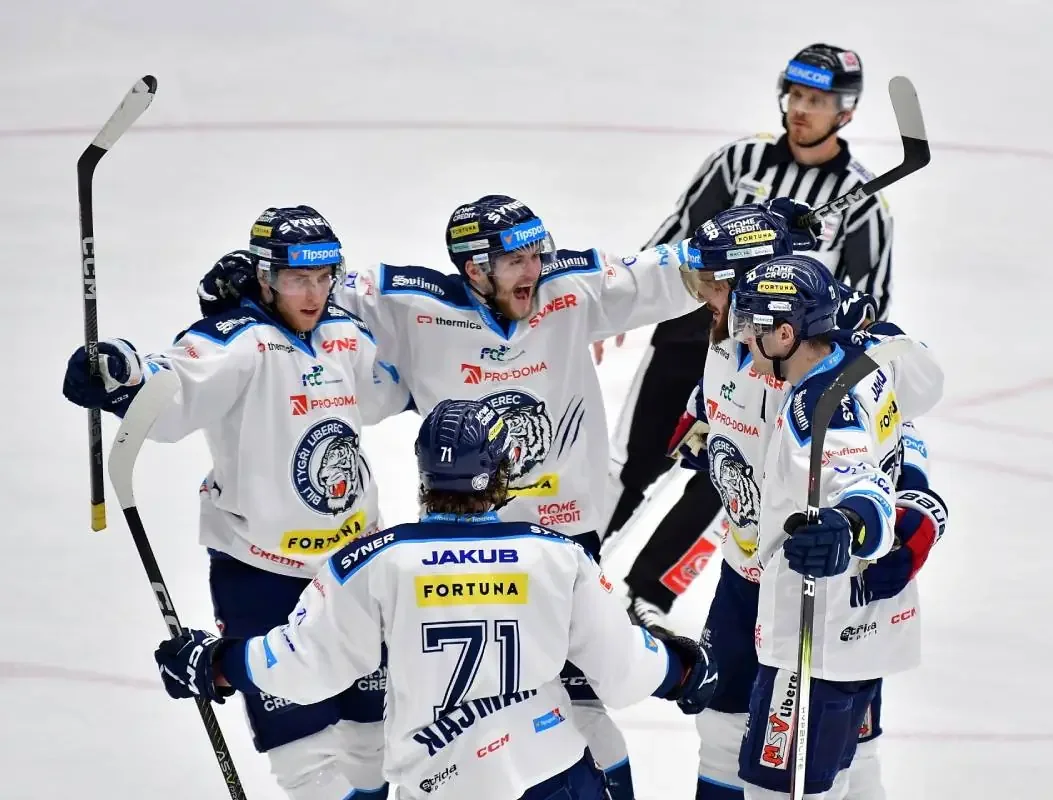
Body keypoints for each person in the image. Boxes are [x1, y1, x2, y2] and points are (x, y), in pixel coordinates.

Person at [194, 193, 706, 797]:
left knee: (481, 733)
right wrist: (681, 669)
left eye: (537, 255)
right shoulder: (415, 305)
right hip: (521, 557)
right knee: (562, 727)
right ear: (474, 268)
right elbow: (309, 291)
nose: (535, 271)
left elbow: (676, 272)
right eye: (516, 261)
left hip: (506, 578)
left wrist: (218, 665)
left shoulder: (384, 562)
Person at [152, 398, 719, 800]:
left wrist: (218, 665)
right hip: (552, 774)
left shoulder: (372, 561)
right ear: (501, 471)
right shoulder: (558, 555)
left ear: (425, 473)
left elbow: (305, 668)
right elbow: (623, 669)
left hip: (443, 784)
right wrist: (684, 669)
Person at [62, 206, 411, 800]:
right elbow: (175, 392)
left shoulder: (345, 335)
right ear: (266, 276)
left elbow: (389, 390)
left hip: (357, 570)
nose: (315, 292)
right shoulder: (238, 341)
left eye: (325, 277)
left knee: (373, 748)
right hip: (263, 576)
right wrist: (121, 372)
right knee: (307, 761)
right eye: (299, 278)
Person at [597, 42, 895, 633]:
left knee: (728, 479)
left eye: (818, 100)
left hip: (777, 361)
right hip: (692, 336)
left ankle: (648, 596)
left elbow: (873, 304)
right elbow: (675, 239)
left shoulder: (864, 205)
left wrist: (828, 307)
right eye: (797, 96)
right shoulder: (740, 162)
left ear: (847, 112)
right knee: (640, 463)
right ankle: (576, 565)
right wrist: (618, 306)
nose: (802, 110)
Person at [663, 206, 940, 800]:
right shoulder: (732, 337)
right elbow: (724, 400)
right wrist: (705, 425)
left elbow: (900, 421)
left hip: (818, 588)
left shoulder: (839, 352)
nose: (704, 296)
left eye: (715, 282)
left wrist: (908, 517)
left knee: (837, 753)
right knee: (719, 723)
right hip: (745, 572)